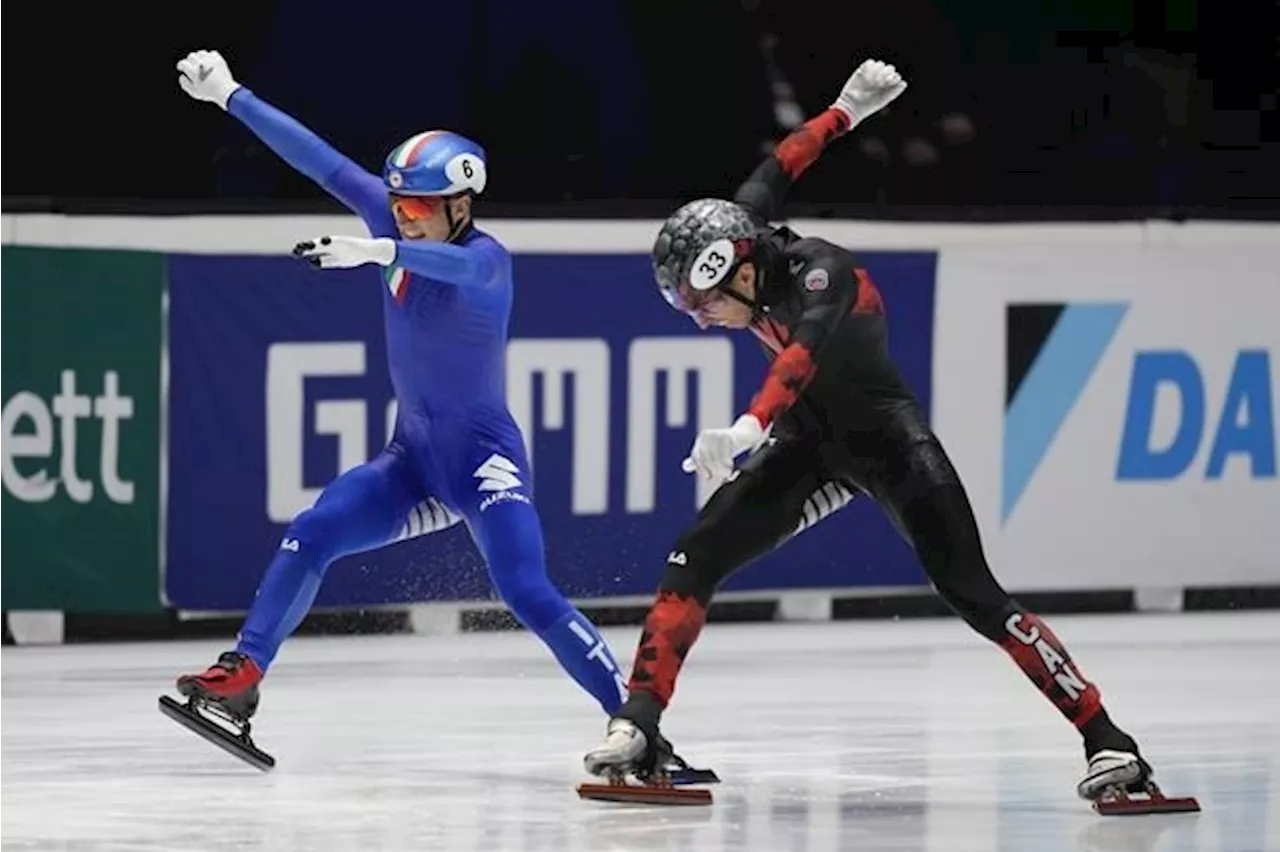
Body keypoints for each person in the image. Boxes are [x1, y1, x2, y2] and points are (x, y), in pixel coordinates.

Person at [581, 59, 1160, 805]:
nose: (700, 320)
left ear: (740, 272)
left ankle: (1110, 742)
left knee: (975, 594)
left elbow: (799, 358)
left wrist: (748, 425)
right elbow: (781, 162)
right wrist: (845, 110)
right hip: (809, 449)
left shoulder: (827, 276)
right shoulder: (744, 228)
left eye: (701, 304)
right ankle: (639, 724)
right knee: (692, 557)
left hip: (890, 445)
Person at [168, 50, 629, 740]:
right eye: (396, 204)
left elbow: (457, 266)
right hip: (412, 460)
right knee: (312, 531)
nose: (401, 217)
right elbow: (319, 161)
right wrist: (231, 95)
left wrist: (382, 252)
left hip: (482, 464)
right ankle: (244, 676)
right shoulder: (393, 226)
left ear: (460, 204)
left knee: (527, 593)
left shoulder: (489, 259)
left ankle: (637, 719)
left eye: (415, 206)